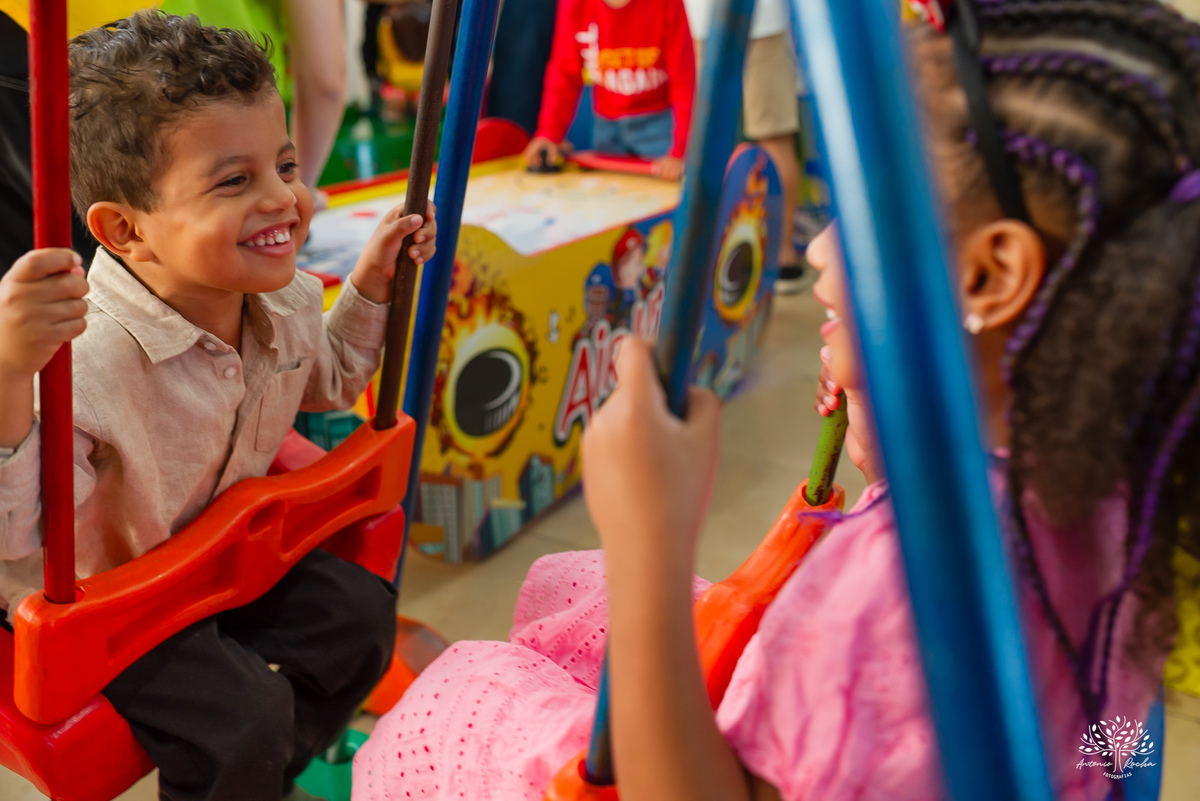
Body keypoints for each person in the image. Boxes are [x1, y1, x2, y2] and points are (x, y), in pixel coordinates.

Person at [354, 1, 1200, 799]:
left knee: (456, 694)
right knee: (572, 582)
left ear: (990, 275)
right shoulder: (1119, 493)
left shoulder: (889, 591)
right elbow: (1114, 736)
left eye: (859, 215)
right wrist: (886, 453)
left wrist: (649, 536)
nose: (820, 250)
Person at [0, 12, 437, 801]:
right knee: (242, 719)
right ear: (125, 229)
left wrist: (372, 286)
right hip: (112, 599)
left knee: (359, 618)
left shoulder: (286, 298)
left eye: (285, 164)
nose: (285, 199)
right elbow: (17, 531)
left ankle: (263, 778)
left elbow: (331, 379)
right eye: (235, 181)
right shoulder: (82, 364)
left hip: (216, 557)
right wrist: (8, 371)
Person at [683, 0, 812, 293]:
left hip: (754, 22)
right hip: (727, 23)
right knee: (720, 140)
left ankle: (778, 253)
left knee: (763, 136)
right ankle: (774, 255)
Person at [521, 0, 696, 181]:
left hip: (660, 127)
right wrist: (549, 134)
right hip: (607, 129)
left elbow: (684, 80)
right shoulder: (574, 5)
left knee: (667, 188)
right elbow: (564, 74)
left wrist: (681, 150)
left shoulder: (667, 4)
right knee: (610, 190)